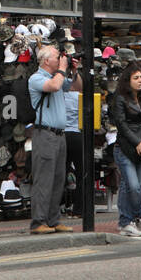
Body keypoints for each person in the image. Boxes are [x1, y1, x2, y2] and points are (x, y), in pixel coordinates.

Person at [28, 45, 74, 235]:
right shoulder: (36, 78)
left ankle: (53, 220)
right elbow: (54, 86)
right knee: (44, 179)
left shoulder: (58, 76)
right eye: (57, 57)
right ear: (46, 60)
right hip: (44, 134)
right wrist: (63, 69)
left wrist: (73, 69)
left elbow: (73, 85)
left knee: (57, 179)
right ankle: (38, 221)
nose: (59, 59)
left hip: (59, 135)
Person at [111, 63, 141, 237]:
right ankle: (136, 217)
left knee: (136, 186)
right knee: (132, 186)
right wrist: (137, 142)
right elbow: (121, 124)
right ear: (127, 80)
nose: (140, 81)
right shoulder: (120, 98)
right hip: (125, 148)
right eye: (135, 78)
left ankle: (128, 220)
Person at [63, 60, 86, 218]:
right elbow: (81, 86)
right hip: (77, 135)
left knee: (60, 172)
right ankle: (79, 208)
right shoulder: (80, 96)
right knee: (81, 173)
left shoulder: (59, 95)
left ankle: (62, 205)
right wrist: (75, 71)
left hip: (62, 135)